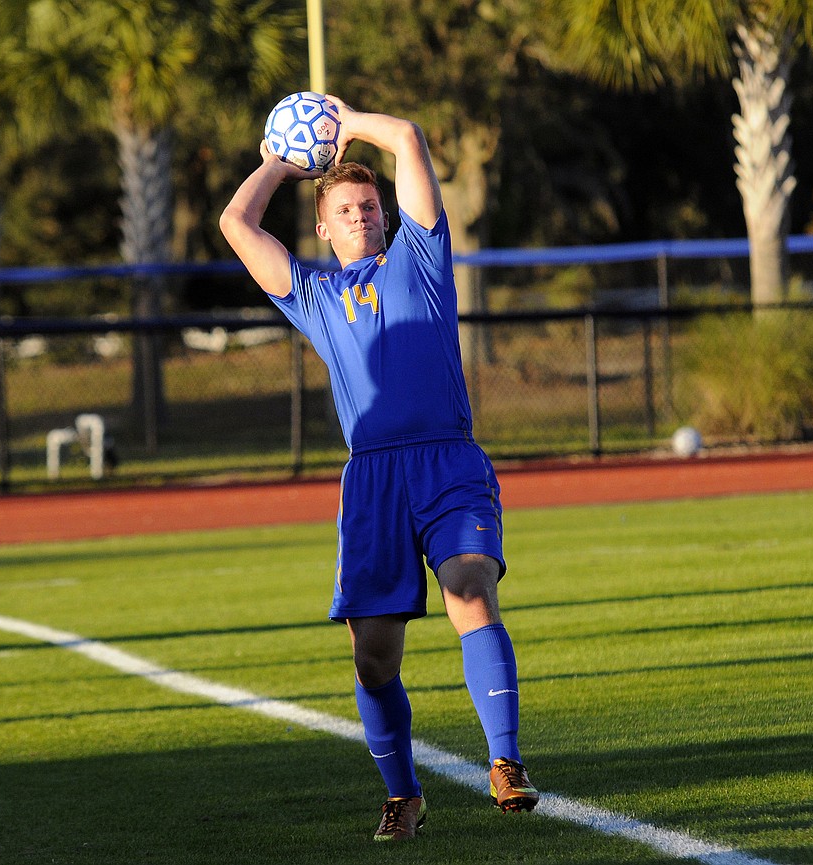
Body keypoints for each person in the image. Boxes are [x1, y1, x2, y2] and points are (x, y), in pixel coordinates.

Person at [220, 96, 539, 842]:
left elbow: (408, 138)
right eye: (345, 208)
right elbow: (238, 226)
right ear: (323, 226)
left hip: (448, 460)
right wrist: (281, 159)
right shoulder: (312, 295)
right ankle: (404, 794)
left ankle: (506, 761)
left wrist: (344, 117)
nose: (361, 213)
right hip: (371, 481)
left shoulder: (422, 261)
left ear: (385, 215)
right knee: (373, 658)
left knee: (469, 586)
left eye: (369, 204)